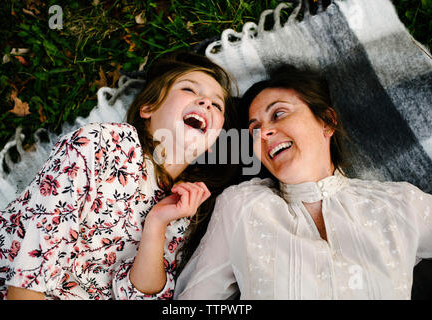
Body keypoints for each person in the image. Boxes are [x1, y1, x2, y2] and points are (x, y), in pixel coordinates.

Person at [0, 51, 236, 300]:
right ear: (148, 108)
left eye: (217, 105)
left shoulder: (184, 206)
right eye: (189, 90)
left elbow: (138, 296)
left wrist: (157, 225)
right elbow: (30, 273)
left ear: (211, 143)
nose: (205, 103)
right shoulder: (105, 143)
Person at [174, 64, 432, 299]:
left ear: (327, 122)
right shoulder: (242, 207)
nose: (263, 133)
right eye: (254, 129)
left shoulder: (399, 204)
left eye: (279, 114)